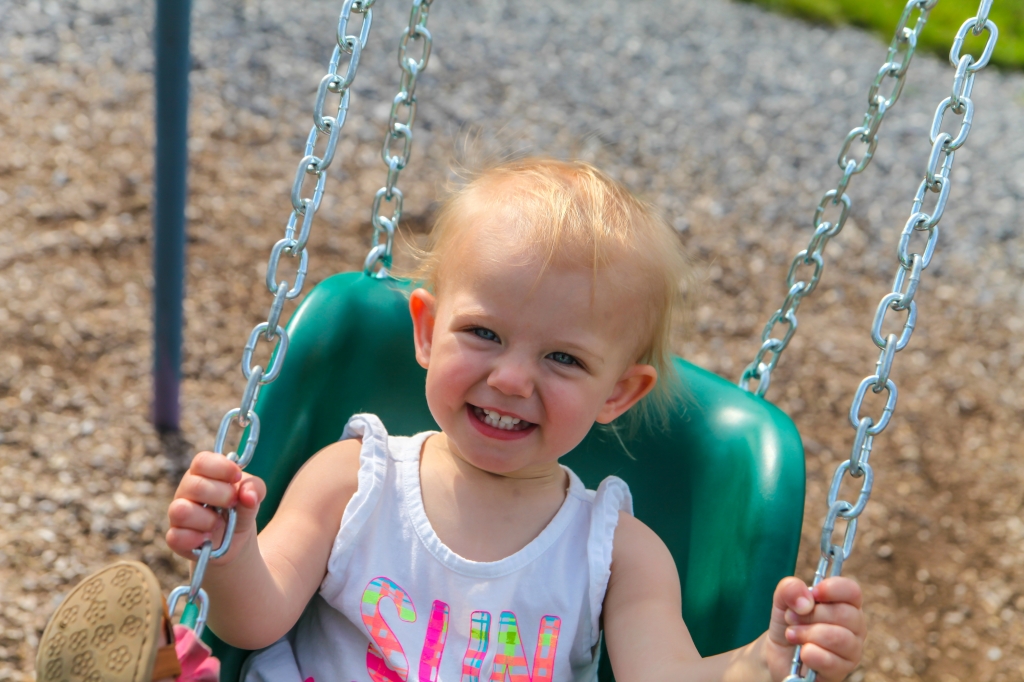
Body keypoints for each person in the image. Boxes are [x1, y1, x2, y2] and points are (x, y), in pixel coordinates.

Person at [164, 157, 866, 682]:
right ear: (427, 331)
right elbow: (252, 620)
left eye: (562, 358)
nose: (510, 379)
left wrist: (770, 656)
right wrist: (228, 548)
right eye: (484, 335)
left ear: (619, 392)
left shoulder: (618, 553)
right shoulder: (353, 480)